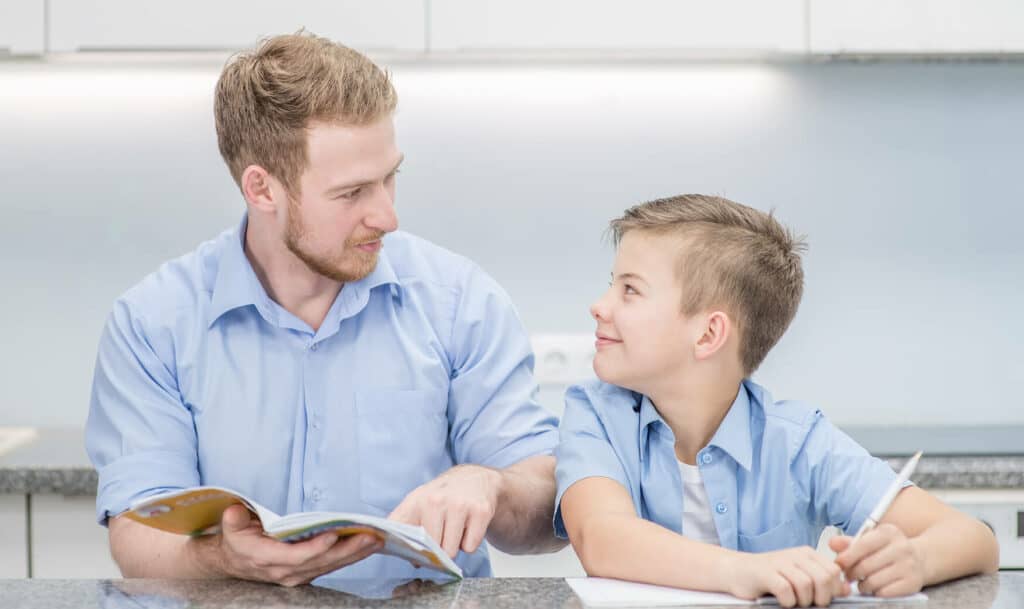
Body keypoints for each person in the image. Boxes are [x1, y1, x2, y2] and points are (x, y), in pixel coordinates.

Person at [85, 32, 564, 586]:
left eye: (390, 178)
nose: (387, 216)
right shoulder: (153, 324)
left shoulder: (460, 303)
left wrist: (492, 485)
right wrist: (223, 559)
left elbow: (546, 510)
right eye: (352, 193)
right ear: (262, 190)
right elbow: (139, 535)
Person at [555, 194, 999, 607]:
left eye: (630, 290)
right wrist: (744, 570)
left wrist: (915, 559)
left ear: (708, 334)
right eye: (612, 285)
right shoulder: (596, 414)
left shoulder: (798, 441)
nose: (599, 306)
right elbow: (602, 538)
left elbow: (975, 540)